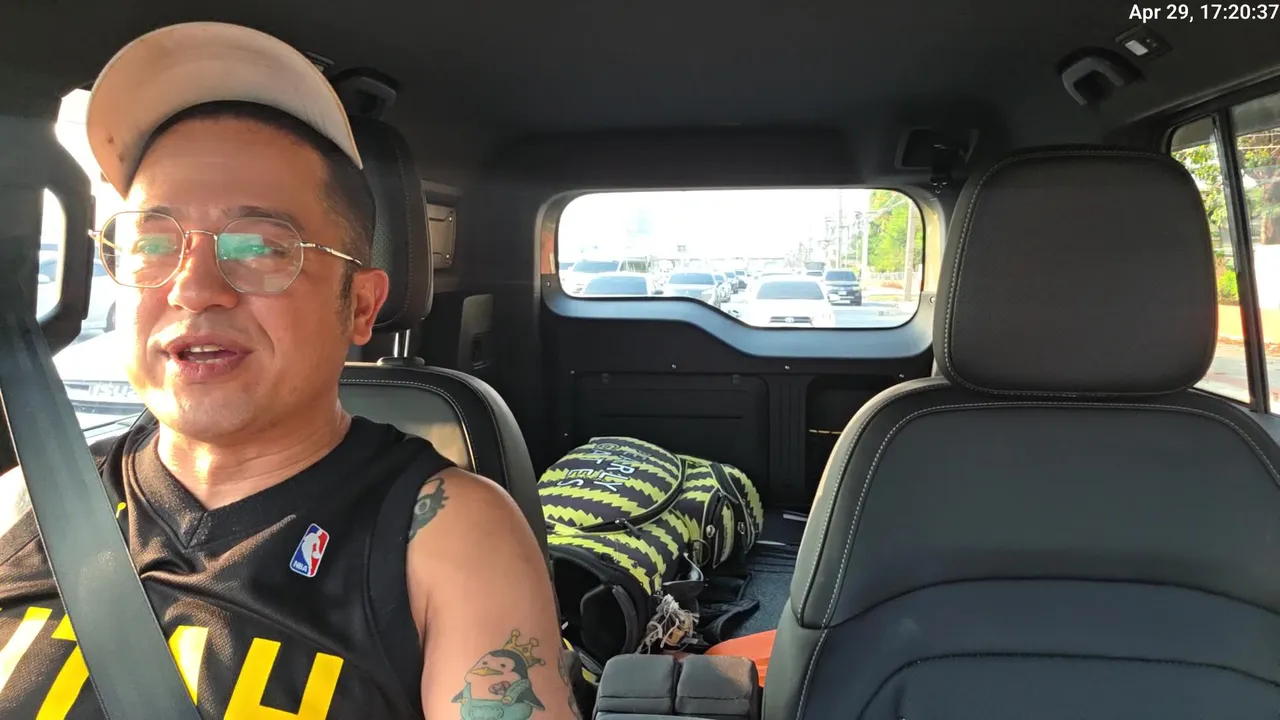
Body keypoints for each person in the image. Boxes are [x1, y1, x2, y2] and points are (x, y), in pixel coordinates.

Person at [0, 21, 580, 720]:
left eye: (260, 248)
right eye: (153, 243)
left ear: (360, 306)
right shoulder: (23, 504)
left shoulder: (445, 540)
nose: (193, 288)